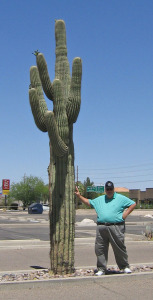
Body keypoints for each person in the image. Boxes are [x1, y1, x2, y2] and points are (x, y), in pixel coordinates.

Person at [75, 181, 136, 276]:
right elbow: (89, 202)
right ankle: (101, 269)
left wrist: (125, 215)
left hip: (116, 226)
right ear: (105, 190)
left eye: (111, 189)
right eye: (107, 189)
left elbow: (133, 204)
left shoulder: (120, 198)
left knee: (119, 248)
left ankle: (124, 267)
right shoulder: (100, 199)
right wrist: (79, 196)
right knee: (100, 248)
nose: (109, 191)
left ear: (113, 189)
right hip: (101, 227)